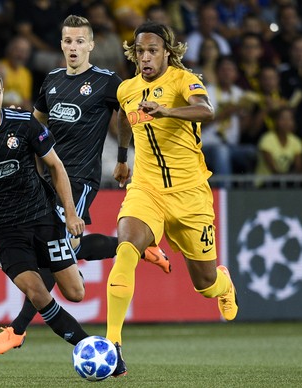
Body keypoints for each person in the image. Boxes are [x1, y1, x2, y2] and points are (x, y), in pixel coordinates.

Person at [0, 14, 171, 357]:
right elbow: (37, 122)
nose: (73, 47)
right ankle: (133, 246)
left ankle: (17, 329)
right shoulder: (53, 80)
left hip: (81, 180)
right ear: (61, 45)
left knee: (51, 251)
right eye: (67, 41)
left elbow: (125, 112)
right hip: (47, 178)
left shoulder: (106, 81)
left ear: (90, 45)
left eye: (79, 42)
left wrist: (121, 157)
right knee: (63, 250)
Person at [107, 21, 238, 377]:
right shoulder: (127, 89)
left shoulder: (184, 80)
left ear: (167, 52)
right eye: (140, 51)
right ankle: (113, 347)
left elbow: (206, 110)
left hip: (191, 195)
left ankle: (223, 283)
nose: (145, 57)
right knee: (125, 248)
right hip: (146, 189)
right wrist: (122, 159)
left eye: (152, 50)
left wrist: (168, 111)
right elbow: (123, 118)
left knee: (205, 286)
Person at [0, 67, 91, 355]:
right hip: (2, 231)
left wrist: (71, 213)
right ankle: (88, 347)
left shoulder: (24, 124)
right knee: (37, 291)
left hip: (42, 217)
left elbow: (56, 166)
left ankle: (77, 248)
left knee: (76, 293)